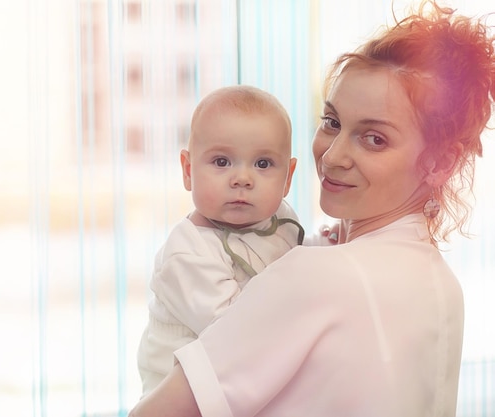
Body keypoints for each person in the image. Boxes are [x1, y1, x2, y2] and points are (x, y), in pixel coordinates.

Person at [128, 1, 494, 416]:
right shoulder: (441, 284)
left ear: (439, 162)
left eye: (374, 138)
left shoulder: (314, 275)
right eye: (332, 122)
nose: (333, 156)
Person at [136, 85, 305, 396]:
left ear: (288, 177)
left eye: (263, 164)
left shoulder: (280, 218)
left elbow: (302, 261)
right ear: (188, 170)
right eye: (222, 162)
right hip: (183, 400)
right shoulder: (187, 254)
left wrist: (331, 246)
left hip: (238, 385)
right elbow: (234, 330)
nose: (242, 178)